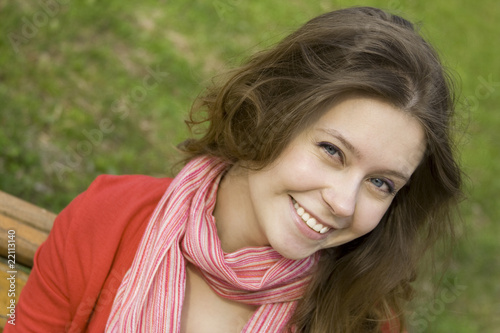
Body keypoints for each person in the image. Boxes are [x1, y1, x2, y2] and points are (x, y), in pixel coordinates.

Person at [8, 6, 463, 333]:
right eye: (331, 151)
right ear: (269, 114)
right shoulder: (108, 220)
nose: (344, 203)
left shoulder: (362, 317)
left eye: (381, 183)